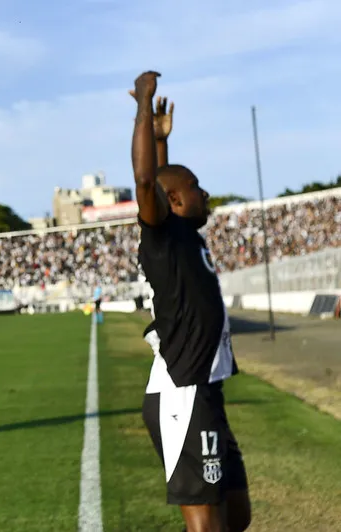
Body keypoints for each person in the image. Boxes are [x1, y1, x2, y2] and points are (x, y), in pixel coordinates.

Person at [130, 71, 251, 532]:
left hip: (207, 392)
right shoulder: (161, 237)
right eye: (197, 186)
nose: (206, 192)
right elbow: (148, 182)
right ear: (176, 200)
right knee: (209, 526)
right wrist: (143, 106)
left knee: (236, 516)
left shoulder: (184, 234)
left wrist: (162, 143)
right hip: (183, 394)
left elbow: (162, 180)